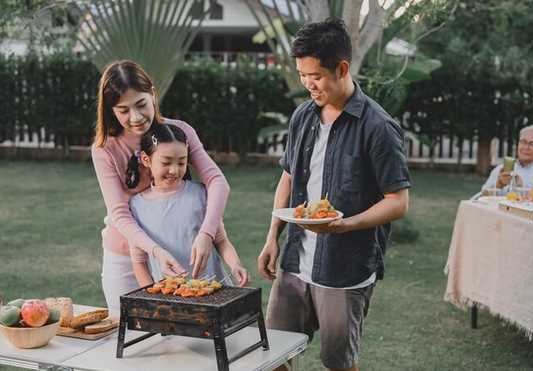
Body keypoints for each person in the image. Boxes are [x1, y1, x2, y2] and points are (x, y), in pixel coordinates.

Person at [257, 19, 410, 371]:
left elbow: (398, 201)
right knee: (274, 356)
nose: (308, 84)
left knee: (339, 363)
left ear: (342, 68)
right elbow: (288, 177)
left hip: (345, 269)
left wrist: (346, 225)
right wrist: (272, 238)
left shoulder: (379, 127)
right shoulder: (302, 117)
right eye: (302, 75)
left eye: (316, 76)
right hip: (295, 262)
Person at [91, 60, 230, 315]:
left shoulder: (178, 132)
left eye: (141, 104)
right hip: (125, 258)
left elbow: (217, 181)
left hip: (178, 255)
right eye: (123, 110)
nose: (135, 117)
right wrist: (154, 250)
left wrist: (207, 233)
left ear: (152, 94)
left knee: (179, 336)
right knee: (131, 333)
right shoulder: (104, 150)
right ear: (110, 111)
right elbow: (120, 213)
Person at [127, 123, 248, 287]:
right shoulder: (136, 206)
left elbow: (221, 240)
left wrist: (235, 265)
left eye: (181, 162)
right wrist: (151, 298)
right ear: (146, 160)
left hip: (215, 291)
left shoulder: (201, 194)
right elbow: (139, 262)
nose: (175, 170)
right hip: (170, 299)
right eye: (166, 162)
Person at [482, 124, 533, 196]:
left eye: (532, 144)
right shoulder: (501, 169)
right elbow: (482, 197)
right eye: (523, 142)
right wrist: (498, 185)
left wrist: (520, 189)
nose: (526, 147)